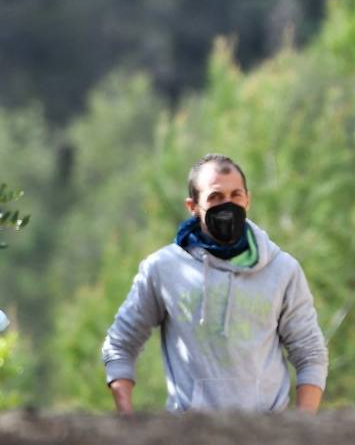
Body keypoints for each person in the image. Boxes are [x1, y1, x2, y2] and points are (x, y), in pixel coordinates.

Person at [102, 154, 328, 413]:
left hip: (268, 437)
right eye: (215, 197)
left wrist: (302, 426)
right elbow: (120, 342)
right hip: (188, 437)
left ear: (248, 200)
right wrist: (125, 417)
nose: (227, 205)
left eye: (236, 196)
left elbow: (310, 353)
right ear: (193, 206)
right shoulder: (163, 269)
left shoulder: (282, 269)